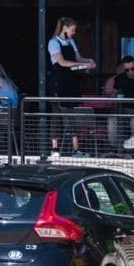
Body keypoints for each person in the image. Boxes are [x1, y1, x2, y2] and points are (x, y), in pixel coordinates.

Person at [47, 17, 96, 159]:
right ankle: (55, 149)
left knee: (71, 115)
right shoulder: (53, 42)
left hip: (71, 82)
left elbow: (78, 58)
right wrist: (81, 65)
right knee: (57, 116)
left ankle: (76, 149)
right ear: (65, 28)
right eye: (73, 30)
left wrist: (89, 61)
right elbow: (62, 62)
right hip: (58, 83)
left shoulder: (71, 41)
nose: (74, 33)